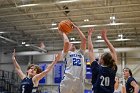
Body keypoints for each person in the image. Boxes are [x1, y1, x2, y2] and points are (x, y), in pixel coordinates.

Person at [58, 22, 86, 93]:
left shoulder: (81, 53)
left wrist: (77, 28)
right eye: (71, 43)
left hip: (79, 81)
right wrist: (63, 32)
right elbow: (67, 42)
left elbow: (84, 40)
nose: (72, 44)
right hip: (68, 80)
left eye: (72, 43)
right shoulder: (66, 53)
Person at [88, 28, 118, 93]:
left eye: (100, 57)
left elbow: (90, 50)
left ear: (102, 60)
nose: (99, 58)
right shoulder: (113, 68)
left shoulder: (97, 68)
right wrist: (105, 38)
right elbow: (113, 51)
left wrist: (89, 35)